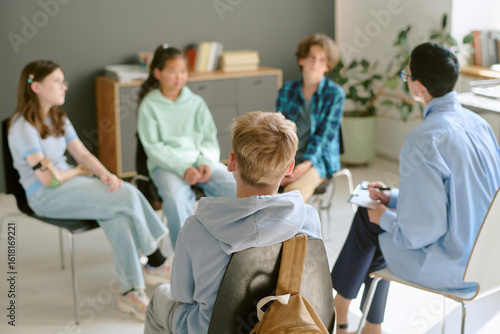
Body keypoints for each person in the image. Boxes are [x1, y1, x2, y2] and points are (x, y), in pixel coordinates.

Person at [331, 42, 500, 334]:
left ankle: (341, 307)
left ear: (418, 87)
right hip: (490, 264)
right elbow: (461, 200)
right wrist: (391, 198)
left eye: (405, 75)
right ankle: (370, 323)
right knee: (380, 219)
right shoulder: (480, 125)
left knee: (370, 220)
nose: (405, 79)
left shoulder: (424, 139)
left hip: (454, 269)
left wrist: (382, 214)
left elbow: (421, 231)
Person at [8, 60, 175, 321]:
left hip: (69, 184)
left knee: (117, 211)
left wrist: (106, 175)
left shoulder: (58, 117)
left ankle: (131, 292)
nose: (64, 86)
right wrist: (77, 171)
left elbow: (82, 154)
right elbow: (48, 180)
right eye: (57, 81)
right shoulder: (22, 128)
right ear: (37, 87)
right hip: (44, 196)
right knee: (128, 195)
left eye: (64, 80)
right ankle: (155, 259)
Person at [143, 111, 323, 334]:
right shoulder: (308, 219)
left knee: (162, 294)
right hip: (282, 325)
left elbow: (182, 296)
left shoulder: (196, 229)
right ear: (289, 168)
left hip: (210, 330)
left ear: (231, 162)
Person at [137, 44, 236, 250]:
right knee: (175, 199)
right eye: (172, 71)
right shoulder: (150, 105)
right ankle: (186, 257)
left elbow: (209, 139)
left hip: (200, 162)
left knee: (236, 185)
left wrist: (206, 163)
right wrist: (182, 168)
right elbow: (154, 147)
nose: (178, 77)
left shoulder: (196, 102)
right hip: (166, 166)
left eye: (183, 71)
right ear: (158, 73)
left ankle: (234, 247)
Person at [276, 33, 345, 202]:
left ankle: (299, 229)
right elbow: (278, 130)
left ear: (328, 65)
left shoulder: (335, 94)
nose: (316, 63)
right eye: (312, 57)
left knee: (292, 193)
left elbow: (323, 136)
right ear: (301, 60)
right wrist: (283, 165)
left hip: (319, 158)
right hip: (289, 155)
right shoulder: (287, 90)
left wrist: (303, 166)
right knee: (261, 187)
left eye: (322, 59)